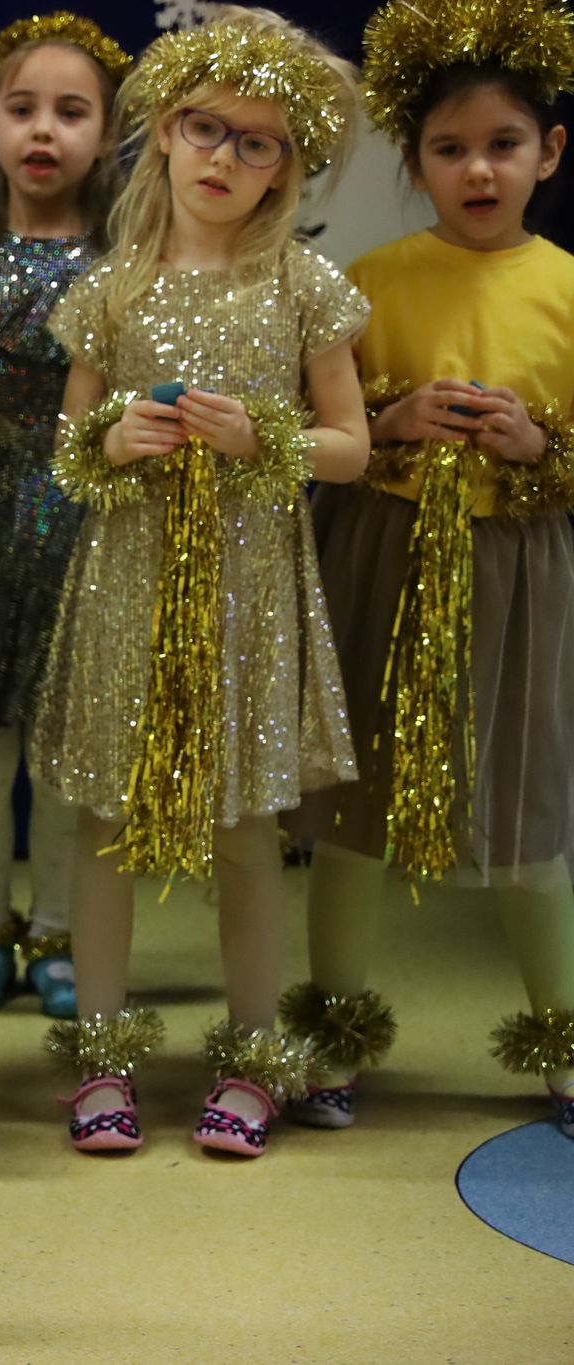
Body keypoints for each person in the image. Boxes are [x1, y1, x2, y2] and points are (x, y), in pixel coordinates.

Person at [31, 7, 369, 1158]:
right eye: (205, 129)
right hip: (127, 585)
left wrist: (262, 437)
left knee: (243, 826)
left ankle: (251, 1056)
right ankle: (101, 1058)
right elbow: (67, 449)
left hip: (247, 596)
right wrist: (112, 441)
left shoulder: (301, 285)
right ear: (165, 134)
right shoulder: (111, 288)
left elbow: (351, 447)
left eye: (255, 141)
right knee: (105, 818)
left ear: (285, 164)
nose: (223, 157)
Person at [286, 0, 574, 1141]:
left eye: (503, 144)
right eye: (449, 149)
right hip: (383, 556)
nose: (477, 169)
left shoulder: (564, 285)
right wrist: (393, 418)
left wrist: (539, 444)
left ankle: (559, 1042)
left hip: (519, 575)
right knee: (356, 798)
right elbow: (324, 428)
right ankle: (333, 1035)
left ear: (549, 152)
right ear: (413, 163)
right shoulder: (369, 281)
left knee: (528, 796)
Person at [0, 13, 130, 1020]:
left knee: (62, 744)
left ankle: (58, 928)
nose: (43, 131)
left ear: (108, 131)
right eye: (22, 109)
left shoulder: (128, 263)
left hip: (85, 522)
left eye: (70, 111)